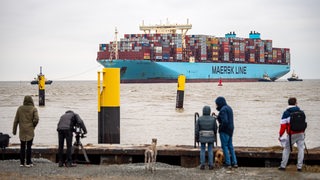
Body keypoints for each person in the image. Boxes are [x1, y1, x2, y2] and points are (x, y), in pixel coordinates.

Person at [278, 97, 305, 172]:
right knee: (301, 149)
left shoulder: (286, 113)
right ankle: (299, 167)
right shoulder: (301, 112)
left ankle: (283, 166)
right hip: (301, 133)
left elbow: (283, 126)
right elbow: (304, 123)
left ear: (288, 103)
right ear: (296, 103)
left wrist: (280, 135)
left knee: (286, 149)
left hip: (291, 134)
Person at [12, 95, 39, 167]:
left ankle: (21, 162)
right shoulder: (34, 109)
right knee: (29, 146)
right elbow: (36, 119)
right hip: (30, 130)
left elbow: (16, 120)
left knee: (22, 146)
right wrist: (33, 125)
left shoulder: (20, 109)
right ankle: (28, 162)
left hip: (22, 130)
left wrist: (14, 131)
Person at [215, 96, 238, 169]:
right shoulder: (229, 108)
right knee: (230, 146)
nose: (216, 106)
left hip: (225, 130)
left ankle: (228, 163)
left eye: (217, 104)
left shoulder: (223, 110)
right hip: (231, 129)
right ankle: (235, 162)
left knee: (224, 146)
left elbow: (225, 121)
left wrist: (220, 128)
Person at [195, 106, 218, 170]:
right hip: (211, 136)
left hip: (202, 136)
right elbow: (215, 128)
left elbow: (197, 129)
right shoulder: (213, 119)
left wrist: (197, 137)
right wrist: (215, 135)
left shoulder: (199, 119)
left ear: (203, 111)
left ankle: (202, 164)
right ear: (209, 111)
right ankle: (211, 165)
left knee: (202, 149)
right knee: (210, 149)